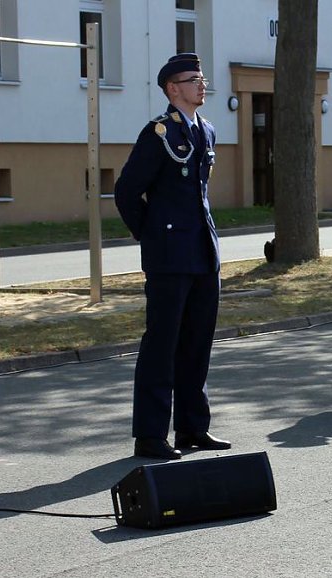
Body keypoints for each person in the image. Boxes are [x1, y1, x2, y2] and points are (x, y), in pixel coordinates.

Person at [114, 53, 231, 460]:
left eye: (202, 77)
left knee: (198, 343)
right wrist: (151, 235)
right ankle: (150, 434)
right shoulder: (158, 133)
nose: (202, 84)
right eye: (192, 79)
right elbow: (126, 191)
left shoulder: (207, 131)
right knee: (162, 345)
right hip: (169, 255)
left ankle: (192, 428)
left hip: (202, 251)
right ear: (172, 88)